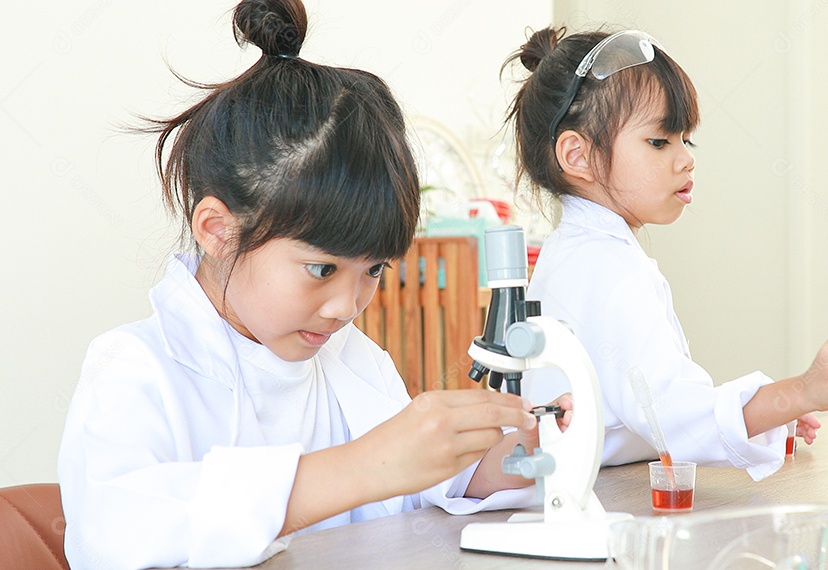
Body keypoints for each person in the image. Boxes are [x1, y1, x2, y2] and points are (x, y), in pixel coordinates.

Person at [57, 2, 571, 568]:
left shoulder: (353, 362)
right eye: (323, 269)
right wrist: (360, 467)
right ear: (218, 230)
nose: (346, 307)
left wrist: (518, 446)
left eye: (373, 271)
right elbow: (114, 531)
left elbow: (427, 488)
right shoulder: (133, 370)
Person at [505, 28, 828, 481]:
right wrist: (801, 391)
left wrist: (769, 413)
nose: (685, 159)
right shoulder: (605, 268)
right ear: (577, 155)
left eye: (685, 140)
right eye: (659, 142)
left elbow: (643, 412)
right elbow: (672, 420)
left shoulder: (582, 252)